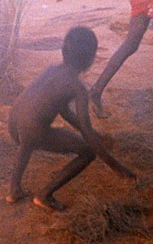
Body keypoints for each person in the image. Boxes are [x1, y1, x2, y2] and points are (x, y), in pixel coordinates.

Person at [7, 26, 136, 211]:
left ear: (63, 51)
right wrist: (117, 167)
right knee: (87, 152)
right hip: (32, 132)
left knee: (28, 136)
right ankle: (44, 195)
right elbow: (86, 131)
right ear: (90, 60)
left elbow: (64, 111)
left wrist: (94, 134)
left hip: (14, 125)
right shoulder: (77, 87)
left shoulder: (51, 71)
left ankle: (14, 190)